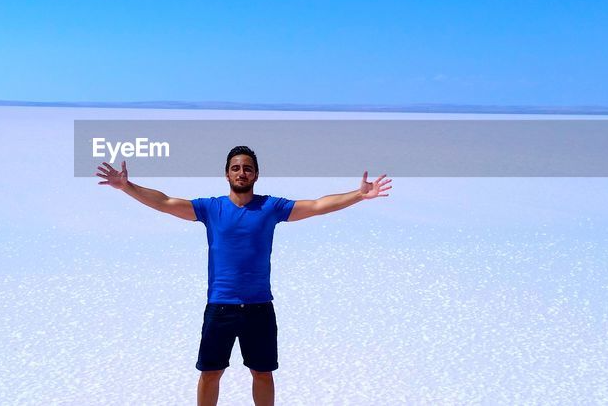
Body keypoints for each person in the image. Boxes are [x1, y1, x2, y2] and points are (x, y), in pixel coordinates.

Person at [96, 145, 392, 406]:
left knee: (262, 373)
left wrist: (358, 195)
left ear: (256, 175)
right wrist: (128, 187)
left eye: (247, 169)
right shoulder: (211, 208)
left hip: (259, 306)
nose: (241, 173)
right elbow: (165, 202)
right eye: (235, 168)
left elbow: (315, 206)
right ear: (227, 174)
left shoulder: (270, 207)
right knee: (210, 373)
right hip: (220, 306)